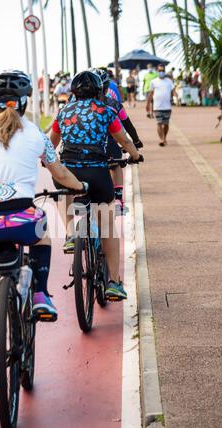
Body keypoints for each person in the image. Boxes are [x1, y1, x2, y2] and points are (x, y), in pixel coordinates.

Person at [0, 70, 87, 387]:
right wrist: (78, 185)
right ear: (25, 102)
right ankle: (39, 293)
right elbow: (60, 172)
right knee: (44, 232)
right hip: (22, 220)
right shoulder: (37, 135)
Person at [49, 70, 140, 301]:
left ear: (73, 92)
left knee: (62, 193)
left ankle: (70, 233)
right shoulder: (106, 112)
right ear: (99, 91)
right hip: (97, 173)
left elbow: (50, 144)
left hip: (68, 172)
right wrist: (135, 155)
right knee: (108, 224)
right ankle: (114, 282)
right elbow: (123, 140)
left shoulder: (62, 112)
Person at [92, 67, 143, 215]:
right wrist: (137, 142)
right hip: (110, 145)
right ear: (106, 87)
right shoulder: (113, 105)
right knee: (116, 164)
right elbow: (128, 124)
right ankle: (119, 198)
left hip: (84, 150)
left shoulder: (77, 106)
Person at [146, 64, 179, 147]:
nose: (161, 72)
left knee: (166, 124)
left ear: (165, 71)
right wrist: (147, 104)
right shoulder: (153, 82)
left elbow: (173, 91)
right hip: (157, 107)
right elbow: (150, 94)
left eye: (162, 71)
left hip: (167, 106)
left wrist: (176, 98)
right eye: (160, 71)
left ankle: (165, 137)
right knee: (159, 123)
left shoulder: (169, 81)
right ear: (157, 71)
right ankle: (162, 139)